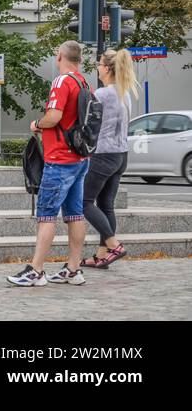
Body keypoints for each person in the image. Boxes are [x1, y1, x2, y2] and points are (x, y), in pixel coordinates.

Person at [7, 40, 91, 287]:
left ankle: (36, 270)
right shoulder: (83, 82)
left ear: (60, 57)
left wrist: (37, 124)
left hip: (59, 159)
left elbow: (54, 117)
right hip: (79, 158)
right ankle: (74, 268)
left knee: (46, 215)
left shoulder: (62, 81)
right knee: (75, 214)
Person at [81, 47, 137, 269]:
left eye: (99, 64)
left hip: (103, 155)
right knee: (106, 204)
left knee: (84, 202)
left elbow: (89, 125)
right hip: (121, 155)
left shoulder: (102, 94)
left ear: (106, 69)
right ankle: (101, 256)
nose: (97, 67)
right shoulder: (125, 92)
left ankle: (114, 245)